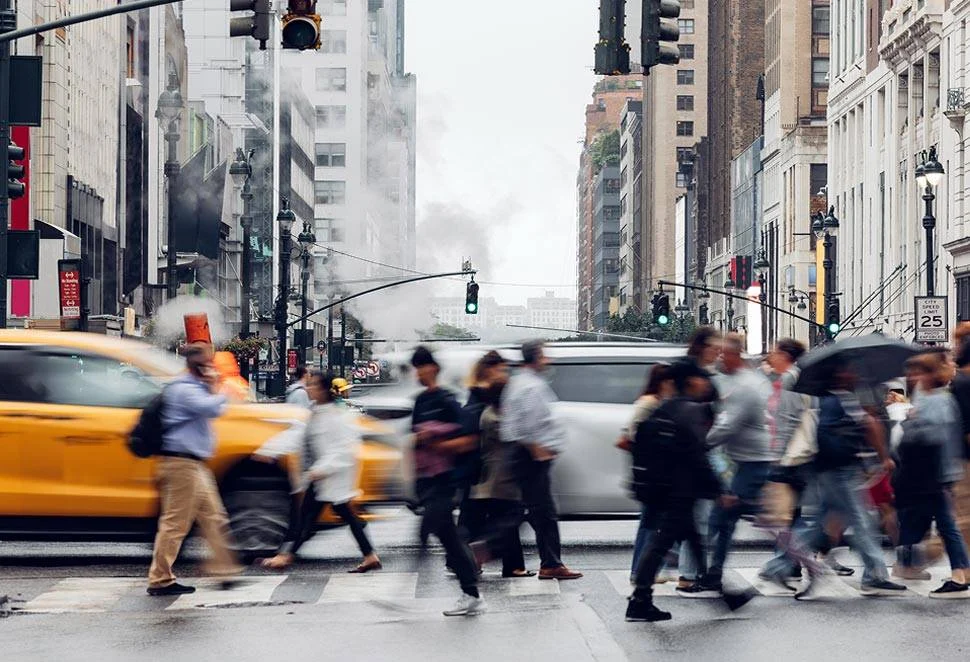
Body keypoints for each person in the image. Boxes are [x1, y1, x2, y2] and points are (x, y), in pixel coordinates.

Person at [760, 363, 907, 597]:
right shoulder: (835, 401)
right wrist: (873, 456)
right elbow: (846, 433)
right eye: (848, 371)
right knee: (861, 521)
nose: (853, 374)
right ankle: (875, 576)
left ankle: (777, 566)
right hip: (839, 472)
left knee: (820, 527)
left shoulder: (834, 400)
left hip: (832, 471)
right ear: (838, 375)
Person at [625, 360, 754, 622]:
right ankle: (639, 600)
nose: (706, 383)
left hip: (666, 487)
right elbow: (697, 455)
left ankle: (724, 595)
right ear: (693, 381)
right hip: (679, 490)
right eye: (702, 378)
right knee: (661, 544)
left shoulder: (666, 408)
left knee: (692, 541)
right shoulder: (691, 411)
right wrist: (719, 490)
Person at [260, 372, 381, 572]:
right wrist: (268, 451)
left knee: (305, 517)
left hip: (330, 476)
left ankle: (285, 556)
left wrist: (320, 470)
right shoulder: (317, 412)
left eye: (314, 385)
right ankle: (370, 555)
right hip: (324, 477)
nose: (309, 388)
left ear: (324, 390)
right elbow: (298, 435)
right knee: (339, 515)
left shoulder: (336, 416)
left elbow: (343, 449)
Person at [148, 344, 242, 596]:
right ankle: (160, 578)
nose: (212, 366)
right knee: (175, 524)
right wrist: (223, 386)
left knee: (214, 517)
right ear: (195, 365)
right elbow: (212, 408)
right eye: (207, 363)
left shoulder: (195, 387)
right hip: (180, 464)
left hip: (194, 464)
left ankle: (225, 571)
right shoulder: (184, 389)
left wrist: (214, 386)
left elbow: (216, 408)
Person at [690, 333, 775, 596]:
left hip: (753, 462)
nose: (718, 358)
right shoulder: (743, 380)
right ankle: (713, 572)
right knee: (731, 520)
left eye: (722, 354)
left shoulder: (745, 385)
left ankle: (795, 562)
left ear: (734, 355)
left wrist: (701, 443)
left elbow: (729, 424)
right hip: (745, 460)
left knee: (724, 518)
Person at [410, 346, 485, 617]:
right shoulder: (420, 402)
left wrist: (439, 442)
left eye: (422, 367)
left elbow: (469, 440)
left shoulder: (447, 400)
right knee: (450, 539)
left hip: (446, 480)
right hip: (427, 481)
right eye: (415, 367)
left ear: (433, 368)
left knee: (429, 533)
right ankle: (472, 593)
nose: (418, 373)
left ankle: (470, 593)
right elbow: (415, 442)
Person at [500, 340, 583, 580]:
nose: (548, 360)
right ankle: (549, 564)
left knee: (532, 512)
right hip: (531, 455)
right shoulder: (531, 386)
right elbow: (527, 424)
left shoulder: (519, 382)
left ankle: (550, 562)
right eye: (544, 355)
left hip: (525, 453)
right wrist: (537, 449)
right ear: (535, 358)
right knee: (542, 513)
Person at [893, 352, 970, 597]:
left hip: (936, 471)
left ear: (929, 374)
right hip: (928, 472)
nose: (912, 376)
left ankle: (959, 575)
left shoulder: (939, 399)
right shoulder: (925, 395)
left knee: (947, 524)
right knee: (941, 522)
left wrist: (910, 422)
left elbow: (935, 436)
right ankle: (953, 570)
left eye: (918, 372)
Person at [465, 352, 532, 578]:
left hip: (489, 475)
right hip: (503, 475)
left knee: (506, 520)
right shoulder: (494, 415)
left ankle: (514, 566)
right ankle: (485, 550)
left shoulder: (487, 411)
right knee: (512, 518)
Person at [617, 363, 675, 581]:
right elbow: (629, 435)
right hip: (651, 472)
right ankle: (641, 570)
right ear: (662, 383)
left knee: (652, 521)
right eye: (670, 382)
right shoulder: (649, 403)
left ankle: (646, 568)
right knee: (651, 522)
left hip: (656, 470)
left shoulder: (658, 402)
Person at [676, 327, 721, 590]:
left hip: (695, 452)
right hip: (690, 454)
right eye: (714, 346)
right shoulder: (689, 372)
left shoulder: (705, 374)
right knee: (698, 518)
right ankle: (688, 575)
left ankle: (690, 573)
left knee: (690, 521)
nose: (717, 351)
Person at [948, 337, 970, 553]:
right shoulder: (963, 383)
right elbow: (966, 427)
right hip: (964, 460)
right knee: (963, 515)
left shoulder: (961, 382)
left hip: (959, 458)